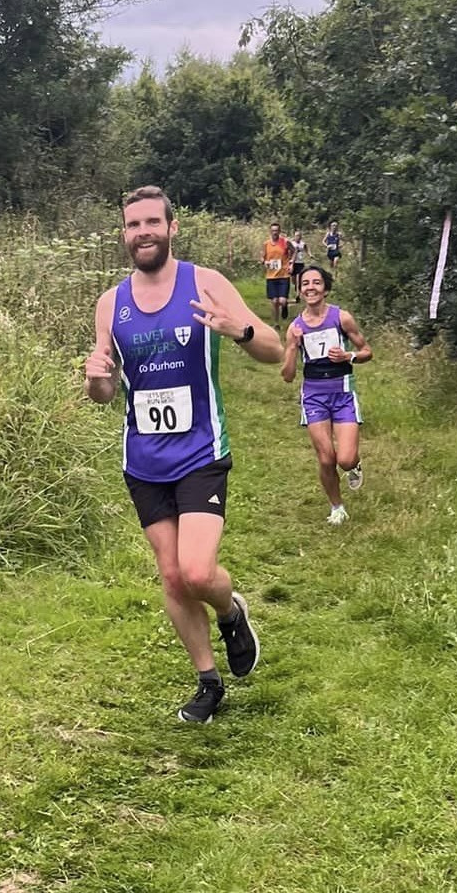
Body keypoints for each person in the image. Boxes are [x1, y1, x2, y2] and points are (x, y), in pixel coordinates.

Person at [85, 186, 285, 723]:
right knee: (171, 577)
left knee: (197, 573)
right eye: (133, 225)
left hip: (200, 451)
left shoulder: (206, 283)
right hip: (143, 461)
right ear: (124, 235)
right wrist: (97, 381)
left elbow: (274, 348)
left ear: (172, 228)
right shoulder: (111, 303)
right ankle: (207, 681)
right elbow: (105, 393)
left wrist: (237, 329)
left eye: (152, 222)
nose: (142, 232)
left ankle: (230, 607)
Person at [281, 265, 370, 524]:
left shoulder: (341, 318)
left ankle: (354, 465)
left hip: (342, 393)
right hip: (313, 395)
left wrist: (348, 356)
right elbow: (287, 376)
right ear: (299, 290)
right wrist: (292, 347)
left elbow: (367, 351)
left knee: (344, 458)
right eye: (305, 283)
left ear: (326, 288)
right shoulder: (295, 328)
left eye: (316, 282)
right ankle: (337, 507)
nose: (311, 287)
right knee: (326, 457)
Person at [262, 222, 293, 328]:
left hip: (284, 275)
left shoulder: (285, 242)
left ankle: (285, 306)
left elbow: (293, 251)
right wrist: (264, 262)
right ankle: (276, 323)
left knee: (282, 301)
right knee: (275, 301)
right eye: (273, 230)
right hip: (271, 276)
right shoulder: (266, 244)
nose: (275, 232)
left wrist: (291, 263)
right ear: (270, 231)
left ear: (279, 231)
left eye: (277, 230)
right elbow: (262, 257)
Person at [290, 231, 309, 302]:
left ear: (301, 236)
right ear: (294, 236)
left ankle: (298, 296)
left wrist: (309, 254)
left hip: (300, 263)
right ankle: (296, 287)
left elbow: (307, 249)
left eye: (299, 236)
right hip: (293, 263)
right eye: (296, 236)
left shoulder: (303, 244)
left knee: (298, 280)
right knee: (293, 280)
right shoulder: (292, 243)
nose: (297, 237)